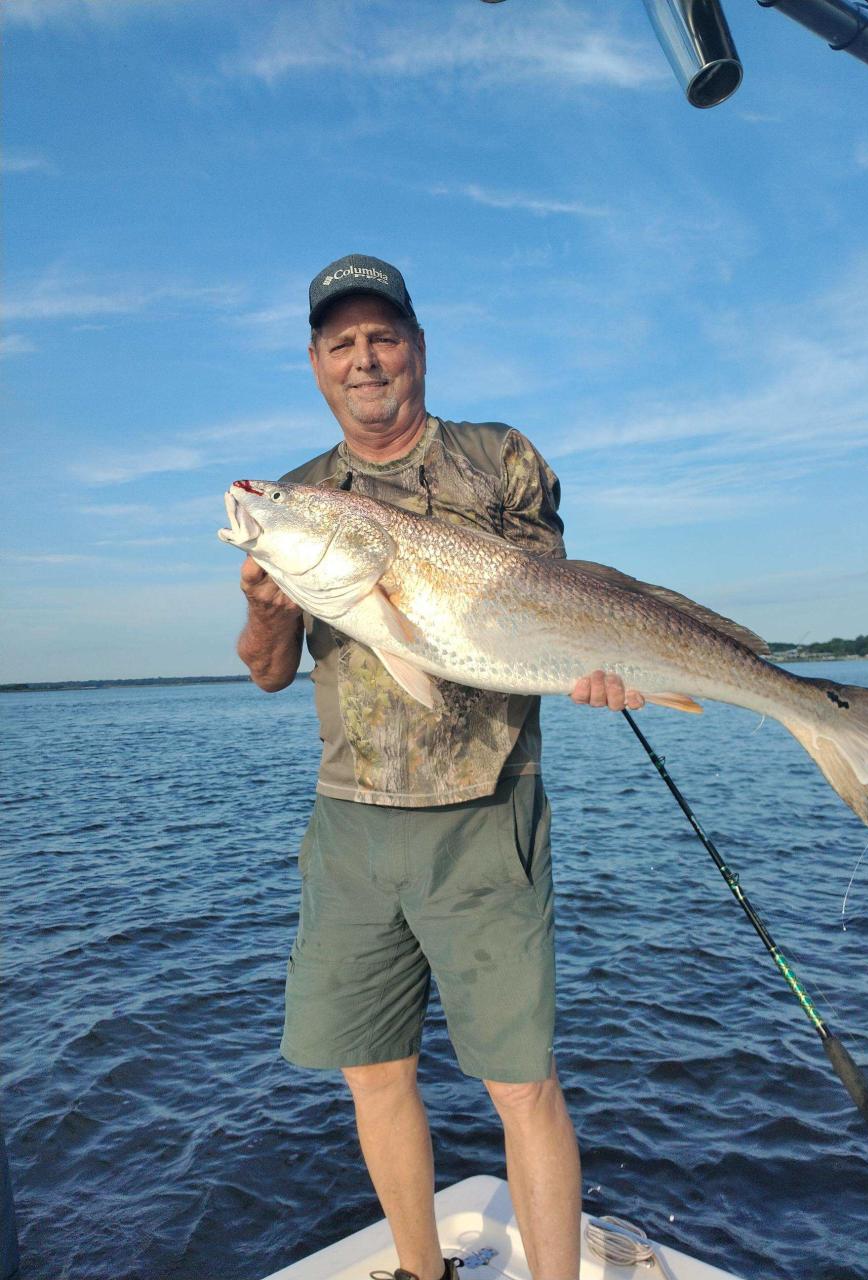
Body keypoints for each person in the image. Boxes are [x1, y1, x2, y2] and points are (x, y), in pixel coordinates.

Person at [236, 254, 643, 1280]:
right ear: (317, 364)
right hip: (351, 822)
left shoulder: (499, 457)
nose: (363, 358)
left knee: (522, 1081)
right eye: (341, 344)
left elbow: (557, 605)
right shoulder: (300, 498)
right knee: (373, 1072)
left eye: (382, 337)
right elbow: (272, 673)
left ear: (417, 346)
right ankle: (424, 1272)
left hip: (485, 813)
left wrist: (602, 664)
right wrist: (264, 606)